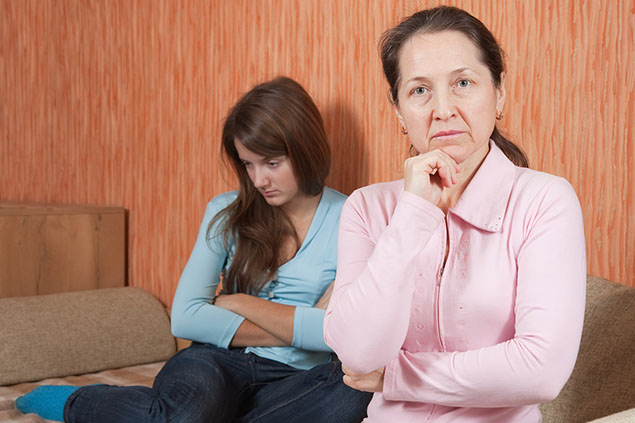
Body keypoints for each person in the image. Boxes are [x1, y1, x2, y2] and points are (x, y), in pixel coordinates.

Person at [17, 76, 372, 423]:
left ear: (306, 148)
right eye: (248, 164)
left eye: (271, 163)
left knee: (358, 389)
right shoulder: (225, 210)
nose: (258, 180)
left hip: (294, 379)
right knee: (188, 411)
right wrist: (300, 323)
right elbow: (186, 317)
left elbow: (333, 334)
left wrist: (235, 302)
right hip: (216, 361)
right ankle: (77, 402)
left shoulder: (353, 217)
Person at [324, 6, 586, 423]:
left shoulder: (544, 201)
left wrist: (397, 376)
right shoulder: (367, 207)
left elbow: (541, 370)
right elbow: (356, 353)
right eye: (419, 91)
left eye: (463, 83)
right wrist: (412, 215)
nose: (443, 109)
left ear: (499, 92)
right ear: (398, 110)